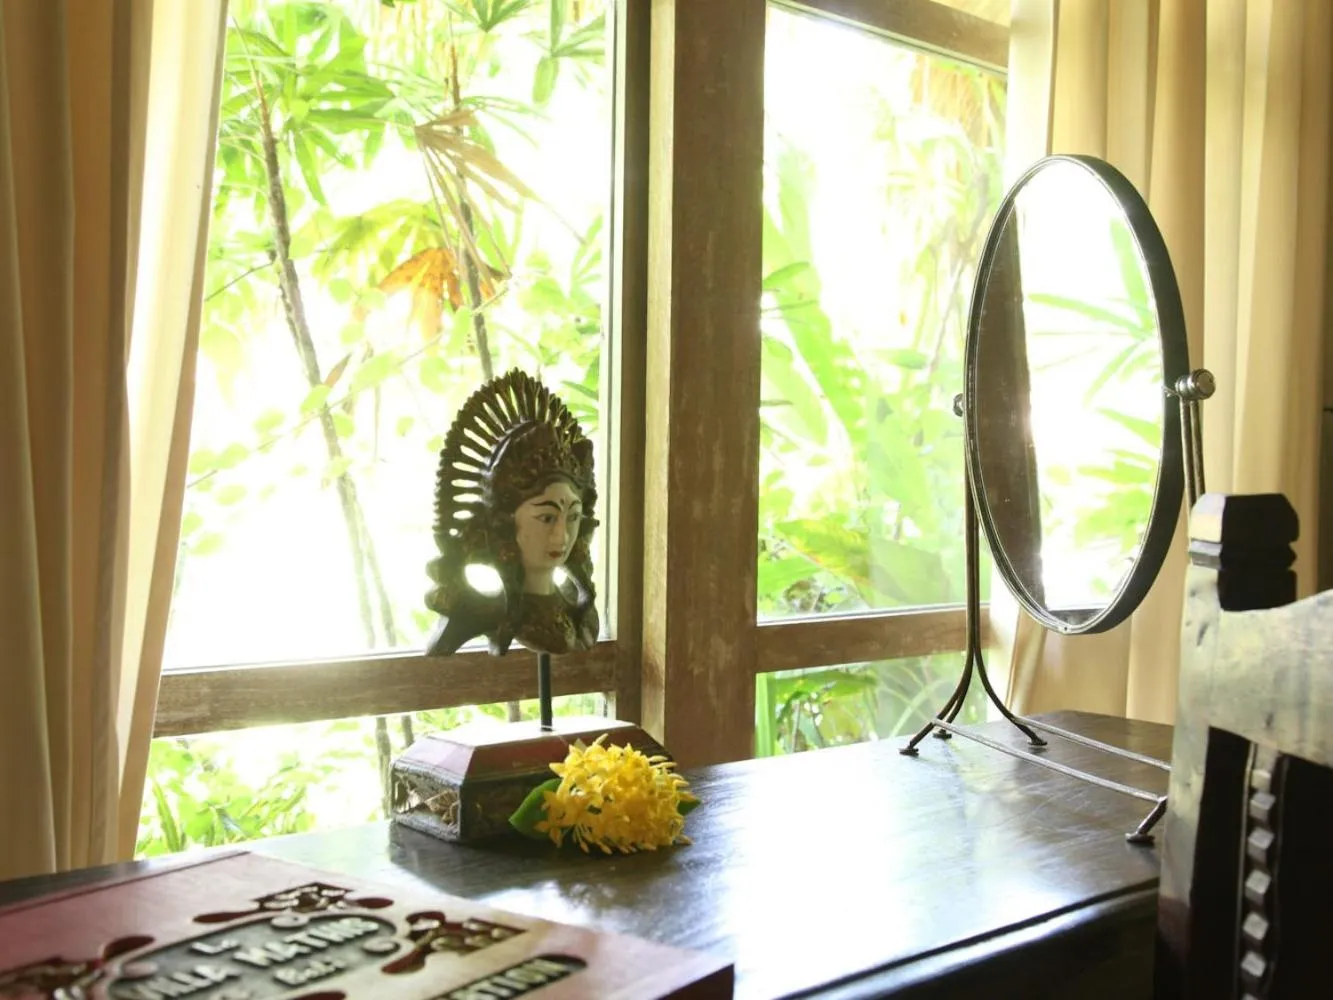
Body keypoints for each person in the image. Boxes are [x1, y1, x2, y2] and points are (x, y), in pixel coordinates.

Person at [425, 369, 600, 657]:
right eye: (547, 518)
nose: (562, 536)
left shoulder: (579, 613)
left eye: (572, 517)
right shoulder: (484, 612)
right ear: (505, 523)